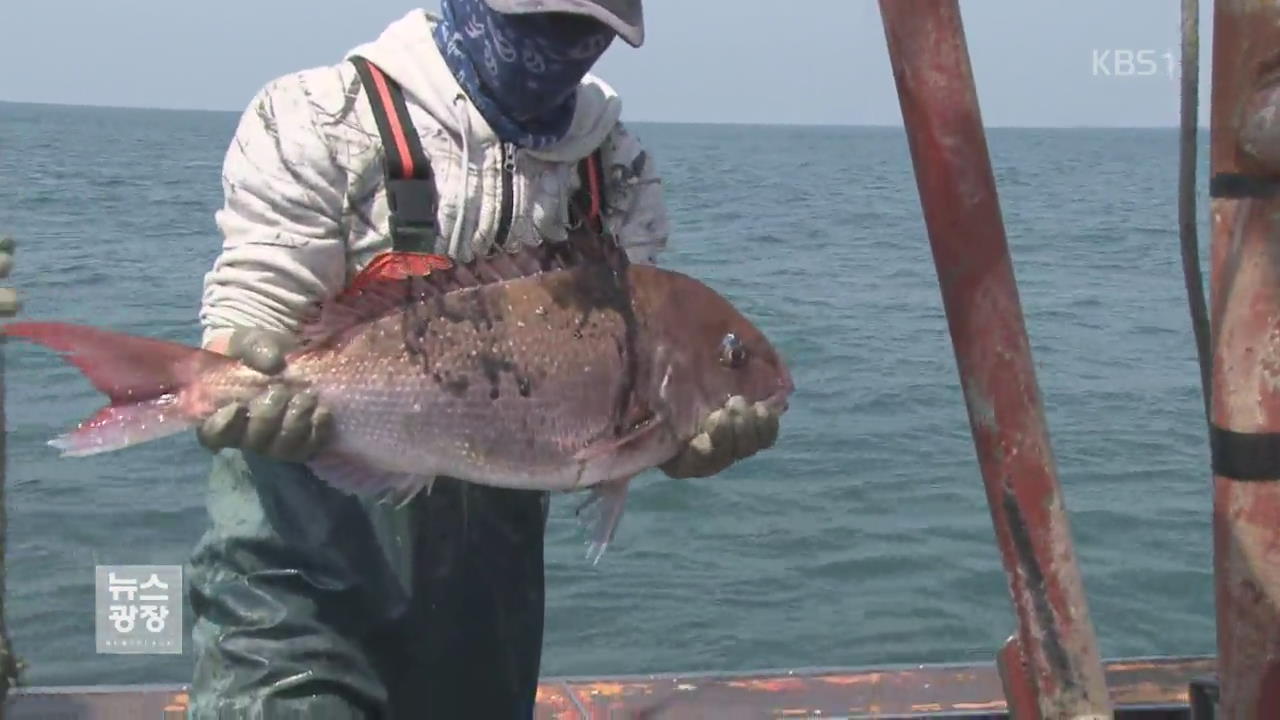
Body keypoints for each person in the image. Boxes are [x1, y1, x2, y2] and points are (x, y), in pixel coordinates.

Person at [187, 1, 784, 717]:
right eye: (542, 16)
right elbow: (251, 311)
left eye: (587, 28)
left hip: (485, 610)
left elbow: (632, 383)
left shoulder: (615, 169)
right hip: (293, 590)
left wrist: (681, 446)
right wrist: (231, 378)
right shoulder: (320, 116)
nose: (561, 45)